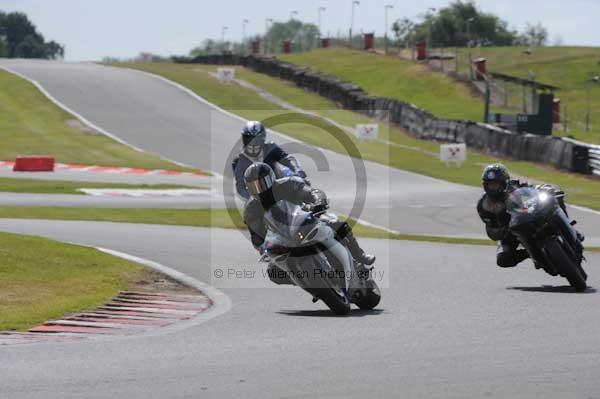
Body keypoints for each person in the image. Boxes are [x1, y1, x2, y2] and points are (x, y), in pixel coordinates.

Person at [242, 162, 375, 285]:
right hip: (283, 238)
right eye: (254, 186)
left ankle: (359, 255)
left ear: (271, 178)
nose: (260, 189)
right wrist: (263, 247)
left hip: (306, 220)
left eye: (263, 183)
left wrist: (318, 202)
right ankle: (304, 281)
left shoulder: (288, 183)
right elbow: (257, 235)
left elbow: (311, 192)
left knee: (335, 223)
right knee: (273, 271)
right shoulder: (251, 209)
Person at [477, 163, 580, 269]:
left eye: (497, 184)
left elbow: (532, 188)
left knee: (555, 197)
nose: (494, 188)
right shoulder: (484, 205)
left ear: (505, 182)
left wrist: (543, 188)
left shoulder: (514, 185)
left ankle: (571, 230)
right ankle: (531, 253)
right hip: (509, 231)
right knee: (503, 260)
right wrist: (502, 231)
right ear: (485, 185)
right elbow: (490, 229)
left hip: (526, 214)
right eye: (491, 184)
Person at [232, 121, 307, 200]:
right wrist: (254, 199)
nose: (252, 144)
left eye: (256, 140)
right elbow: (241, 187)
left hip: (279, 183)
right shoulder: (238, 161)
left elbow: (288, 159)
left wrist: (298, 170)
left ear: (262, 139)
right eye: (249, 139)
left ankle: (314, 200)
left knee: (292, 175)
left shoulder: (270, 148)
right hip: (259, 195)